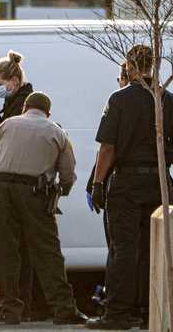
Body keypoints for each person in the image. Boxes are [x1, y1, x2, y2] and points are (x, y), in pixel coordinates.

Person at [86, 45, 173, 330]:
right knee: (154, 250)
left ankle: (118, 314)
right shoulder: (167, 99)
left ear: (130, 68)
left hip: (126, 183)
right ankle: (150, 310)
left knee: (123, 249)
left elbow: (107, 147)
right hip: (159, 183)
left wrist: (98, 183)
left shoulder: (120, 99)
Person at [0, 91, 87, 325]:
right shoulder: (56, 132)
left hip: (1, 192)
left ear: (24, 107)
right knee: (47, 252)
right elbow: (68, 173)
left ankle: (11, 310)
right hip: (35, 194)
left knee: (4, 252)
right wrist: (62, 190)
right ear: (48, 112)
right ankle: (63, 309)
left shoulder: (5, 126)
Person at [0, 50, 49, 321]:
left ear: (13, 81)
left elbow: (11, 148)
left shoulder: (23, 104)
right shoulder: (19, 101)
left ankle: (18, 307)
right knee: (23, 250)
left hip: (13, 187)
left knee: (12, 250)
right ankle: (23, 306)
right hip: (24, 187)